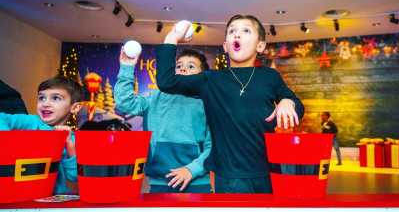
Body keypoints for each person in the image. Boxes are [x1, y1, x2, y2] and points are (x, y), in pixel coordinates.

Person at [156, 15, 305, 193]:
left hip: (268, 172)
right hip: (228, 176)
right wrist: (172, 37)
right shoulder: (211, 80)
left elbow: (298, 107)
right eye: (232, 31)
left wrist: (287, 102)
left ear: (260, 45)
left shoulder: (270, 77)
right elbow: (166, 81)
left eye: (246, 30)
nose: (237, 35)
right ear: (226, 46)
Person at [115, 48, 212, 193]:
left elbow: (213, 147)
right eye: (178, 66)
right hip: (160, 182)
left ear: (202, 75)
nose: (183, 69)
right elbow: (124, 102)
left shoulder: (208, 103)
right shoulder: (155, 97)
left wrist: (191, 170)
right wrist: (127, 67)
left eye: (191, 66)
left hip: (197, 183)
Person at [0, 76, 83, 194]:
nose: (45, 103)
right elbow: (2, 117)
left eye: (55, 98)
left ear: (75, 107)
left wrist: (69, 145)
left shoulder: (72, 138)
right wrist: (7, 141)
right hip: (25, 193)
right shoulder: (31, 122)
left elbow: (74, 177)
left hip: (56, 199)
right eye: (41, 98)